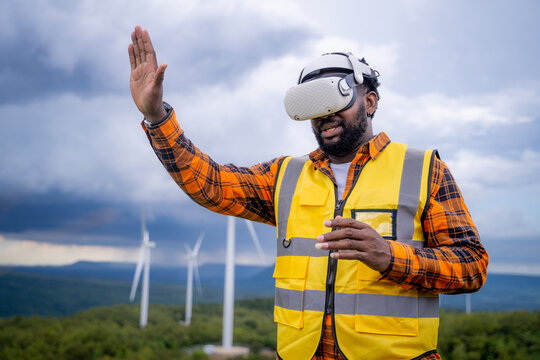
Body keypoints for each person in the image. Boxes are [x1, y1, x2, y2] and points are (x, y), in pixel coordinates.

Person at [128, 26, 489, 360]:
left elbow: (471, 266)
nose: (325, 115)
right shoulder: (285, 176)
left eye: (335, 101)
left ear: (371, 102)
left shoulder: (423, 170)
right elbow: (210, 184)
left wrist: (389, 257)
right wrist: (157, 117)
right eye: (313, 107)